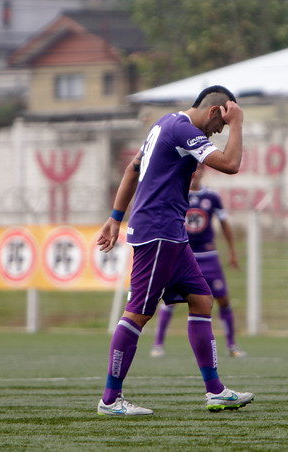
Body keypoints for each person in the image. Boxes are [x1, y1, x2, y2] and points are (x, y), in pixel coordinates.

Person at [96, 85, 254, 416]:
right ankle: (110, 399)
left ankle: (215, 391)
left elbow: (132, 170)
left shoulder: (165, 123)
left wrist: (114, 218)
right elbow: (230, 163)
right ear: (214, 112)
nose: (219, 132)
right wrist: (238, 123)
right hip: (158, 232)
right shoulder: (183, 129)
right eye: (220, 126)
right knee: (138, 312)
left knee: (201, 299)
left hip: (171, 233)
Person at [150, 163, 246, 358]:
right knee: (169, 300)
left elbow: (225, 224)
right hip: (182, 255)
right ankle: (158, 344)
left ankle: (232, 346)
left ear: (203, 172)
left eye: (199, 169)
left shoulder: (211, 197)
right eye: (192, 169)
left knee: (223, 299)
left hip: (208, 256)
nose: (195, 173)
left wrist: (233, 252)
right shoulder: (176, 194)